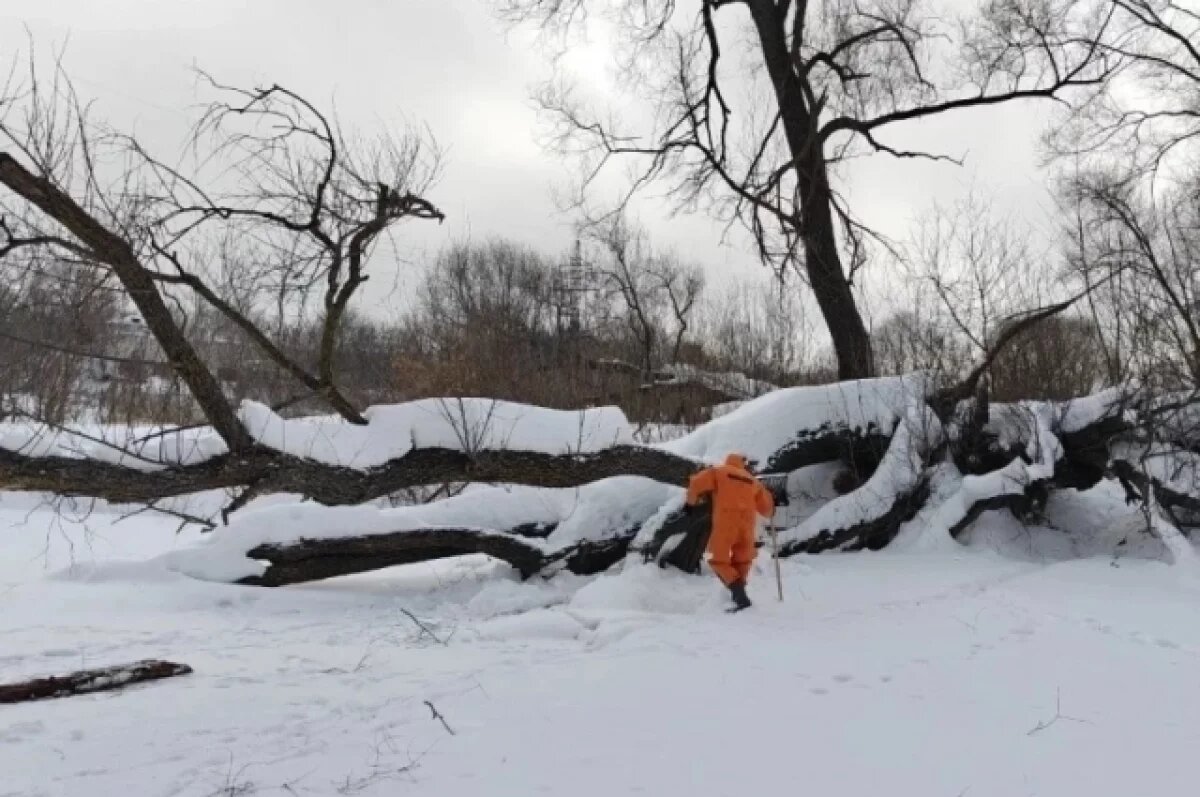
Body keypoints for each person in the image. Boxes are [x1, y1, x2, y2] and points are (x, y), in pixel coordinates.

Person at [685, 453, 775, 611]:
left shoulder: (718, 472)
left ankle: (738, 593)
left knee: (719, 559)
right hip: (747, 524)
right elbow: (767, 509)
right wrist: (773, 504)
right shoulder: (753, 481)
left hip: (726, 522)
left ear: (727, 461)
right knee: (743, 559)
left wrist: (690, 503)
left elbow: (696, 483)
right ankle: (739, 595)